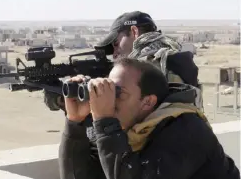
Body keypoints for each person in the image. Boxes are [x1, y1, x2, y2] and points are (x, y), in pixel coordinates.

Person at [59, 58, 240, 179]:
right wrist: (75, 122)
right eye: (108, 90)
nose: (108, 101)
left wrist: (105, 121)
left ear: (147, 102)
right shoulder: (131, 129)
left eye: (118, 94)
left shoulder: (185, 129)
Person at [43, 10, 201, 112]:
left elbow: (118, 115)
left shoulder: (150, 63)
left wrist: (64, 95)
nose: (114, 53)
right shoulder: (172, 56)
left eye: (116, 44)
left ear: (134, 31)